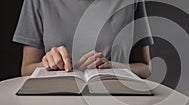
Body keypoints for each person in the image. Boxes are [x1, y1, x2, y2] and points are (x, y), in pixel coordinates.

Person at [13, 0, 154, 79]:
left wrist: (111, 66)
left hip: (116, 97)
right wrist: (49, 64)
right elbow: (26, 69)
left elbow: (145, 68)